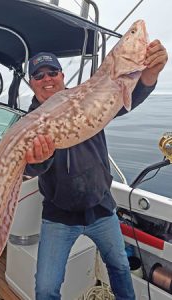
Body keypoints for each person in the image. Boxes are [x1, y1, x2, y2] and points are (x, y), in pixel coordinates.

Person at [24, 41, 168, 300]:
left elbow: (124, 100)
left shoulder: (87, 97)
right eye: (38, 75)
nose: (47, 79)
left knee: (121, 267)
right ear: (31, 82)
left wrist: (150, 75)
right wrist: (40, 159)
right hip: (59, 217)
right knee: (45, 288)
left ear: (61, 76)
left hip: (102, 208)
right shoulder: (30, 122)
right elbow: (32, 169)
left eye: (52, 72)